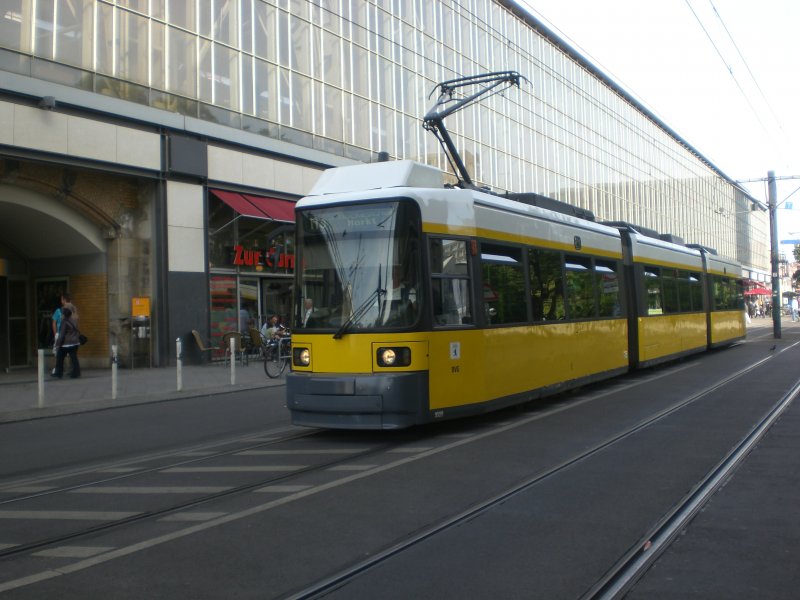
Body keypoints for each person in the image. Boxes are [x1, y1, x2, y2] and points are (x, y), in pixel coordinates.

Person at [53, 307, 81, 379]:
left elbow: (62, 334)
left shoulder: (64, 322)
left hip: (67, 343)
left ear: (63, 315)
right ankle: (76, 372)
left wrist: (57, 344)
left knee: (60, 357)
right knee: (74, 358)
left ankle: (58, 373)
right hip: (75, 342)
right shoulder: (74, 320)